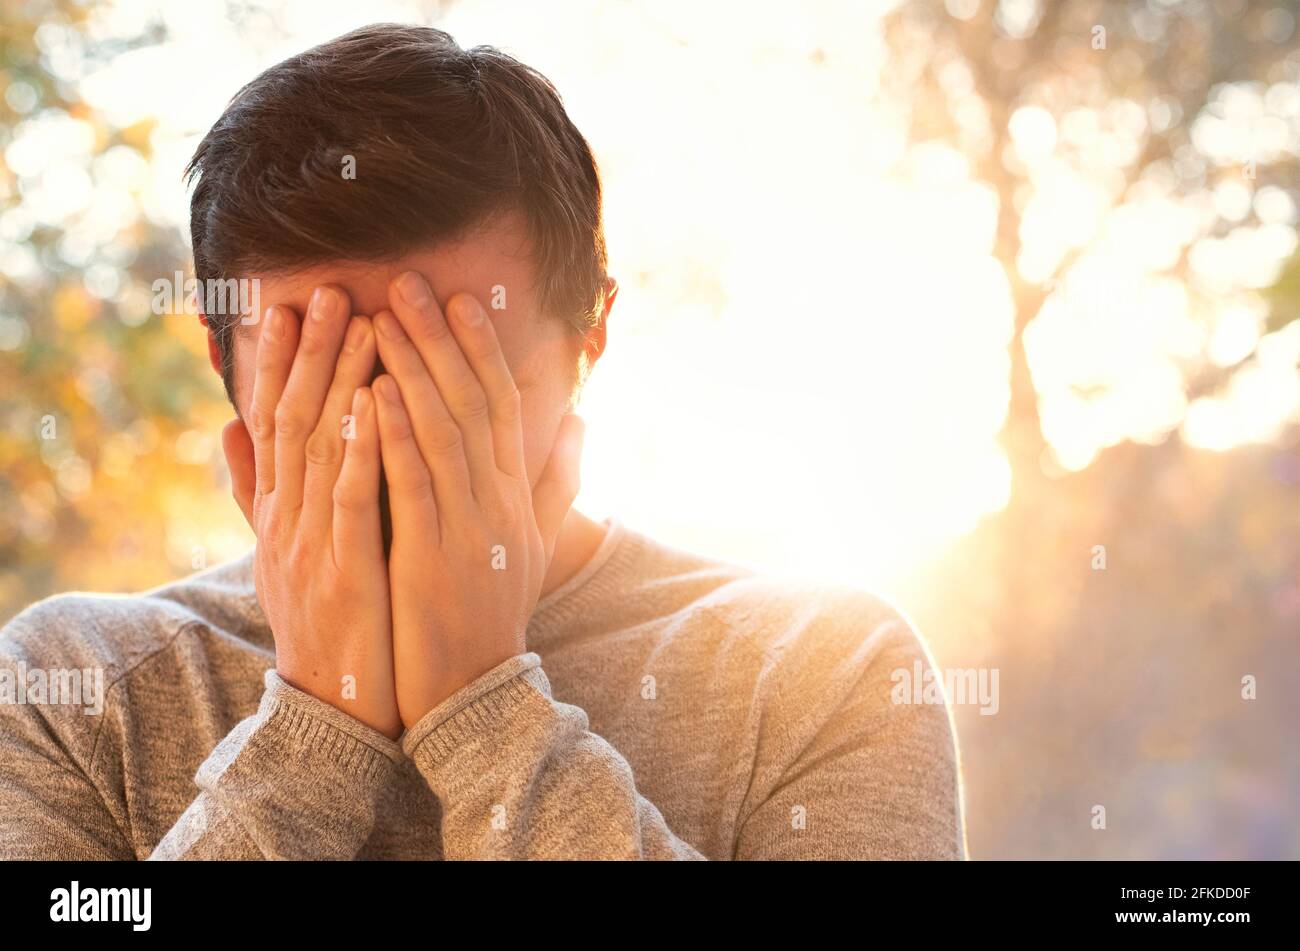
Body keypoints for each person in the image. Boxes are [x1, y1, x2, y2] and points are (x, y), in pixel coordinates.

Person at [0, 23, 965, 860]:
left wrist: (487, 714)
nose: (389, 430)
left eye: (450, 371)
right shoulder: (71, 688)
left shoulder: (823, 671)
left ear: (588, 338)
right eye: (327, 367)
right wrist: (309, 739)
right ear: (227, 372)